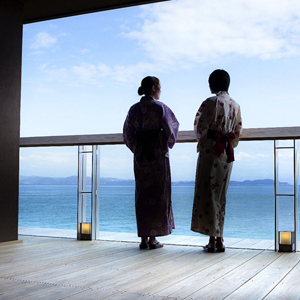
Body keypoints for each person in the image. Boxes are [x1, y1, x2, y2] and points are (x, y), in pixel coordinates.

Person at [123, 76, 179, 249]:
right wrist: (164, 143)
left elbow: (127, 134)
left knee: (142, 194)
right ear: (154, 88)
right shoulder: (160, 107)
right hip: (157, 154)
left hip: (141, 155)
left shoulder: (134, 109)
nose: (161, 90)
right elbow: (172, 128)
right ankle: (153, 238)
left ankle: (143, 238)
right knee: (157, 194)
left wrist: (137, 147)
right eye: (160, 87)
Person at [191, 69, 242, 252]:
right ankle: (220, 239)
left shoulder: (211, 102)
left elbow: (200, 127)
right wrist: (230, 142)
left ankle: (212, 241)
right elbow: (237, 130)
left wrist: (203, 140)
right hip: (226, 153)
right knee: (221, 195)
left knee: (208, 194)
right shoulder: (235, 105)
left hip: (211, 150)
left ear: (213, 84)